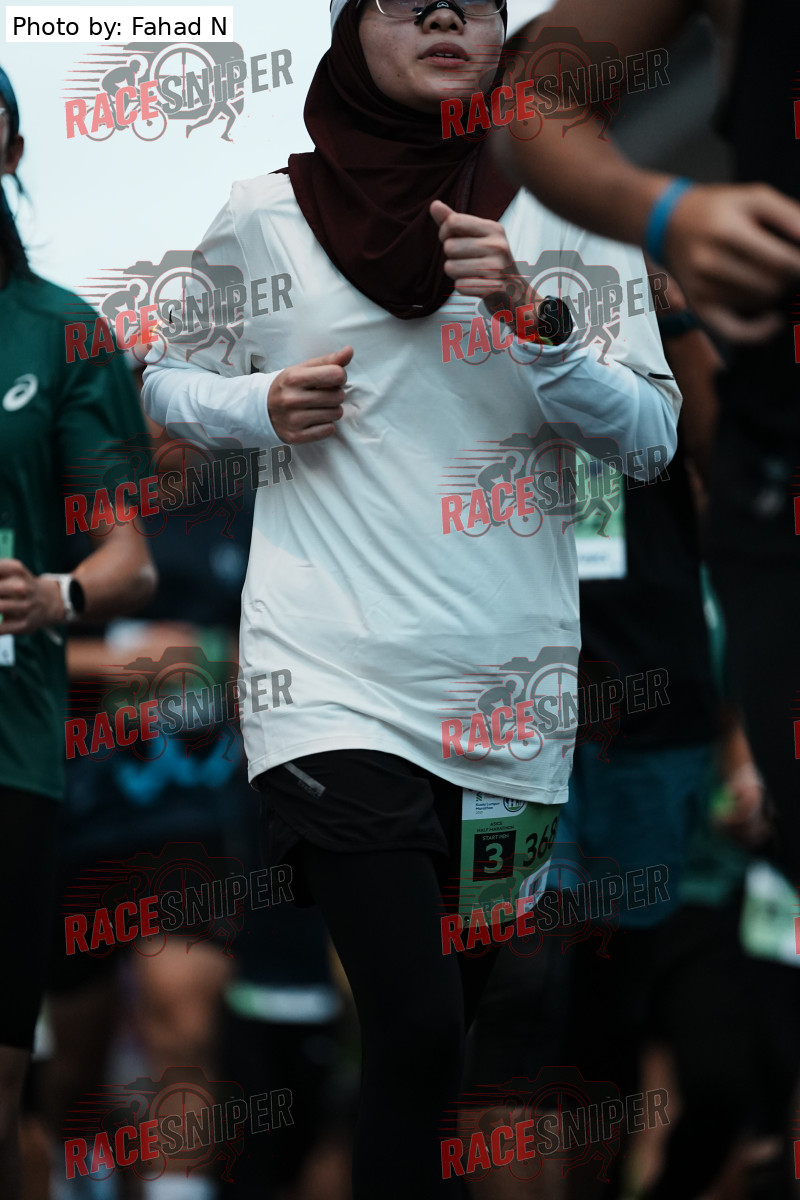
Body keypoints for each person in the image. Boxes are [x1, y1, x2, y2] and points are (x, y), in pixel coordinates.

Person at [141, 1, 681, 1194]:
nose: (442, 14)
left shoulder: (568, 213)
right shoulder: (262, 212)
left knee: (450, 1047)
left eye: (472, 1)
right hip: (327, 682)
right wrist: (254, 405)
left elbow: (649, 440)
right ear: (348, 33)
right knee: (416, 1024)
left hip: (510, 706)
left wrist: (537, 325)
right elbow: (164, 378)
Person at [495, 0, 800, 889]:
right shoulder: (410, 259)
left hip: (651, 675)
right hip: (497, 690)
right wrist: (669, 212)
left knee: (649, 931)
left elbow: (693, 456)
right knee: (517, 948)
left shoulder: (652, 286)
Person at [0, 67, 157, 1200]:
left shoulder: (62, 332)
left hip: (9, 754)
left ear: (11, 152)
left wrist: (52, 596)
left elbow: (127, 560)